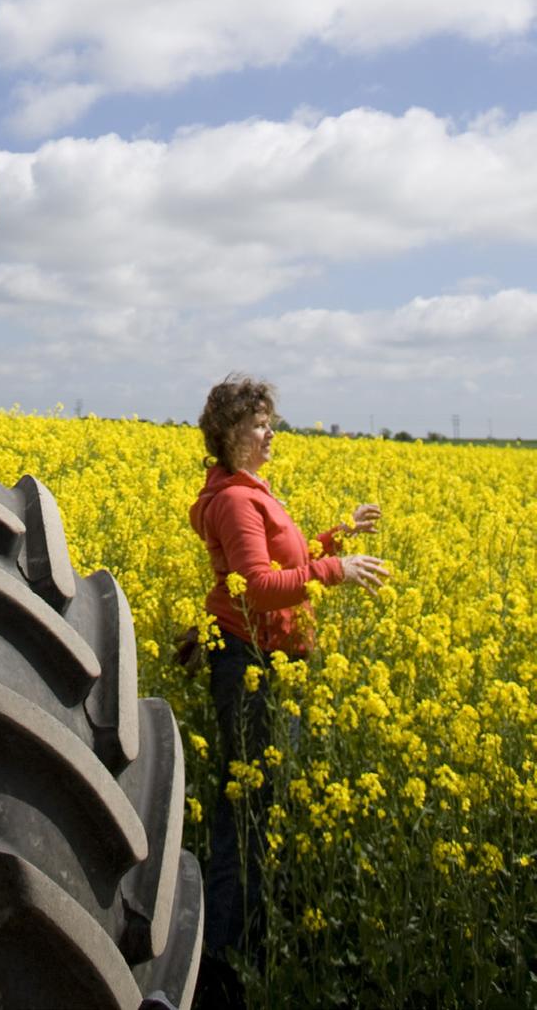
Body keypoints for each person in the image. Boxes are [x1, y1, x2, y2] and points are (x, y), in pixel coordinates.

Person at [189, 375, 388, 1007]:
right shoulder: (236, 501)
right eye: (259, 424)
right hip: (250, 663)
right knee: (243, 810)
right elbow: (256, 586)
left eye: (271, 422)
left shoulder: (251, 491)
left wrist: (336, 538)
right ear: (229, 436)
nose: (271, 433)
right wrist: (334, 572)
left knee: (256, 803)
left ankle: (244, 939)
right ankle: (218, 961)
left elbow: (282, 562)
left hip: (269, 659)